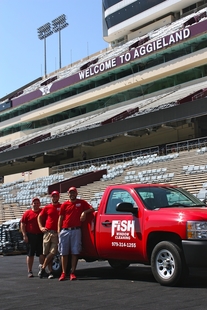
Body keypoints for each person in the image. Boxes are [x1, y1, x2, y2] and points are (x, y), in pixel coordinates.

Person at [58, 186, 94, 281]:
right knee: (64, 252)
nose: (72, 194)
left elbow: (92, 209)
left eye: (74, 192)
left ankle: (72, 272)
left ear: (76, 194)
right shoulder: (64, 205)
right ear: (68, 194)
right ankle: (63, 272)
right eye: (70, 192)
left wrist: (84, 212)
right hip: (65, 230)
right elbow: (60, 218)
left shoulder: (81, 203)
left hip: (76, 230)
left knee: (75, 252)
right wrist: (59, 231)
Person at [37, 190, 61, 279]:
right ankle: (50, 271)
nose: (55, 198)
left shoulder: (61, 206)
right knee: (46, 252)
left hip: (56, 232)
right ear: (51, 197)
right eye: (53, 196)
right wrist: (41, 227)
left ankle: (42, 268)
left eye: (56, 196)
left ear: (58, 197)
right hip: (47, 232)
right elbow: (39, 216)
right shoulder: (47, 207)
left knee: (53, 252)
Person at [20, 197, 44, 278]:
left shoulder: (42, 212)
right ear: (32, 204)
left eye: (37, 203)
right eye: (34, 203)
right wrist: (24, 235)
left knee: (41, 253)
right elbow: (22, 224)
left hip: (40, 235)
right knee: (30, 254)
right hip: (31, 235)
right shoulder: (27, 213)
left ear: (39, 204)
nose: (36, 204)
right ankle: (29, 271)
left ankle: (42, 270)